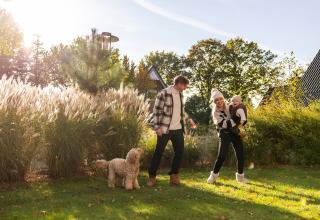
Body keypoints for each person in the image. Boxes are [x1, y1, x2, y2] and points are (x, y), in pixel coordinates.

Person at [146, 75, 196, 187]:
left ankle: (174, 177)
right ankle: (152, 177)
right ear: (179, 84)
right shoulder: (163, 93)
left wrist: (190, 121)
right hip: (165, 130)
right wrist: (157, 128)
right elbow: (157, 111)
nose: (185, 88)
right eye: (184, 85)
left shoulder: (180, 94)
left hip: (178, 129)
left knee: (179, 153)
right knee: (158, 154)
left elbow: (182, 111)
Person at [206, 88, 248, 184]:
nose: (219, 101)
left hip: (235, 133)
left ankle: (240, 177)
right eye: (216, 100)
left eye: (220, 99)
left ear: (223, 98)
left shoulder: (230, 107)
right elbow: (225, 125)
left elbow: (241, 111)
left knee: (240, 155)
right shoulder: (215, 113)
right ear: (214, 102)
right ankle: (213, 176)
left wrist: (240, 118)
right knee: (221, 156)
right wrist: (235, 119)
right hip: (224, 134)